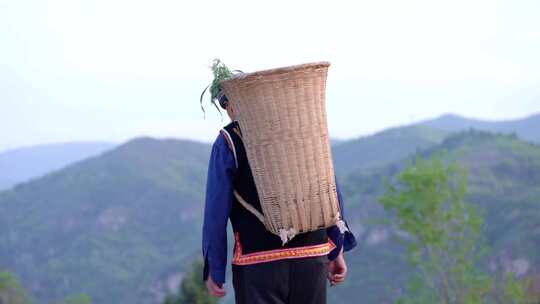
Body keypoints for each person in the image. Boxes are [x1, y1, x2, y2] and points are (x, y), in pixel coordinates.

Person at [202, 91, 357, 304]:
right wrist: (335, 248)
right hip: (311, 257)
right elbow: (328, 192)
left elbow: (215, 211)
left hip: (258, 262)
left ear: (232, 106)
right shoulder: (303, 131)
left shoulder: (228, 141)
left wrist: (214, 267)